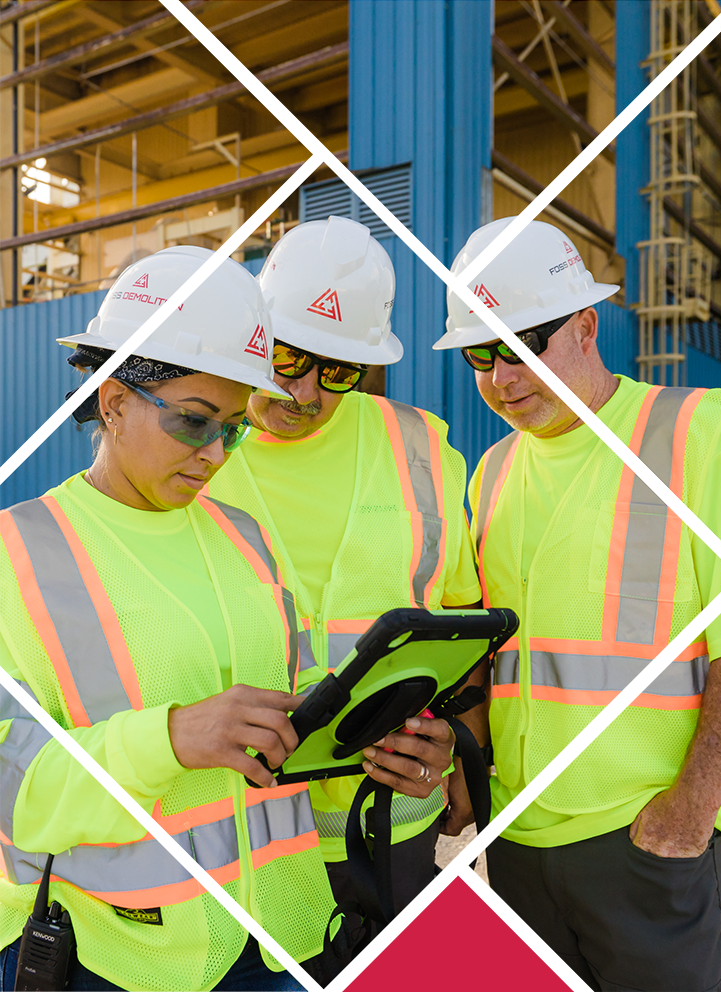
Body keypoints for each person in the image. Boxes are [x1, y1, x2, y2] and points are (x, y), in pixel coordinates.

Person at [0, 246, 456, 992]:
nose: (215, 454)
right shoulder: (16, 553)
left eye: (234, 429)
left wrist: (379, 730)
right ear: (113, 403)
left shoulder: (242, 537)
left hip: (277, 937)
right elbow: (14, 797)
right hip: (117, 958)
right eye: (193, 422)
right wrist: (171, 738)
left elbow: (297, 690)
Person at [433, 216, 721, 992]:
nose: (505, 379)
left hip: (642, 843)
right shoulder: (491, 474)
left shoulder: (696, 439)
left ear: (584, 327)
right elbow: (485, 655)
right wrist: (467, 769)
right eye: (481, 355)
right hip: (519, 842)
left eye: (523, 347)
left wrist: (688, 815)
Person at [207, 216, 485, 983]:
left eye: (335, 371)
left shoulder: (425, 447)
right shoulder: (194, 452)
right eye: (288, 358)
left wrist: (462, 748)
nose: (300, 392)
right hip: (241, 831)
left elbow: (460, 634)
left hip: (393, 823)